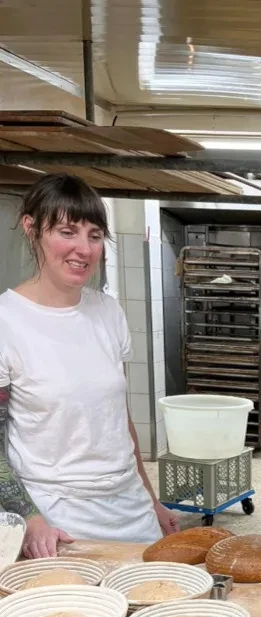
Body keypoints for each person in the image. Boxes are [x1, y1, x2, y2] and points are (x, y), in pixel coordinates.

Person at [0, 173, 178, 557]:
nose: (83, 248)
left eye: (94, 235)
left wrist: (151, 500)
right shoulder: (6, 322)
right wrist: (28, 518)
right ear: (32, 229)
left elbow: (119, 419)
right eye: (67, 231)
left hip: (130, 508)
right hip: (57, 519)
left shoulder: (107, 312)